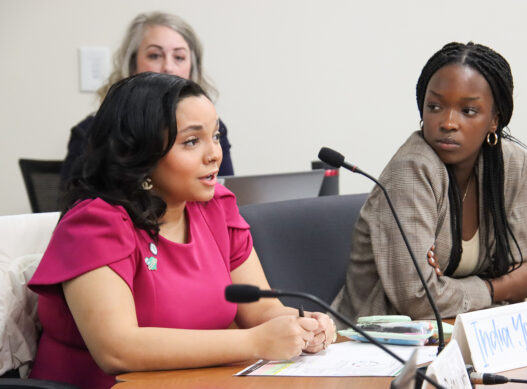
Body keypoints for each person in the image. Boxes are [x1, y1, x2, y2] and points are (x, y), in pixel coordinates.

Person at [29, 72, 336, 389]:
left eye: (215, 136)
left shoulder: (216, 207)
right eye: (192, 141)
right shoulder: (95, 224)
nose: (214, 154)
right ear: (140, 154)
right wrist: (255, 343)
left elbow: (261, 310)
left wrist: (299, 324)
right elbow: (117, 350)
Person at [334, 42, 527, 322]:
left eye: (468, 111)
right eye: (435, 106)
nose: (448, 122)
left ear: (494, 120)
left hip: (464, 329)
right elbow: (418, 298)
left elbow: (521, 276)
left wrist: (450, 286)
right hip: (379, 341)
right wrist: (496, 288)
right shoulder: (410, 170)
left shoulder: (512, 165)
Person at [60, 11, 234, 187]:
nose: (168, 67)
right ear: (133, 64)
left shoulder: (212, 128)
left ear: (192, 67)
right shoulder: (89, 132)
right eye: (155, 55)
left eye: (179, 57)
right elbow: (72, 204)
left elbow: (225, 195)